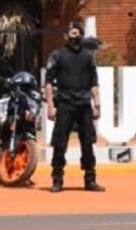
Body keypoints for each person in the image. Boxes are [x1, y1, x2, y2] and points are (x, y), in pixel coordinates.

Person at [44, 21, 104, 193]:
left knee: (88, 143)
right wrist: (50, 106)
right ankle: (57, 180)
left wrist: (97, 104)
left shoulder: (88, 56)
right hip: (65, 104)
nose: (75, 36)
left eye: (78, 33)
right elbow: (48, 82)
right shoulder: (57, 55)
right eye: (72, 33)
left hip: (84, 104)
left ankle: (90, 180)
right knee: (60, 143)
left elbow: (94, 83)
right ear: (65, 37)